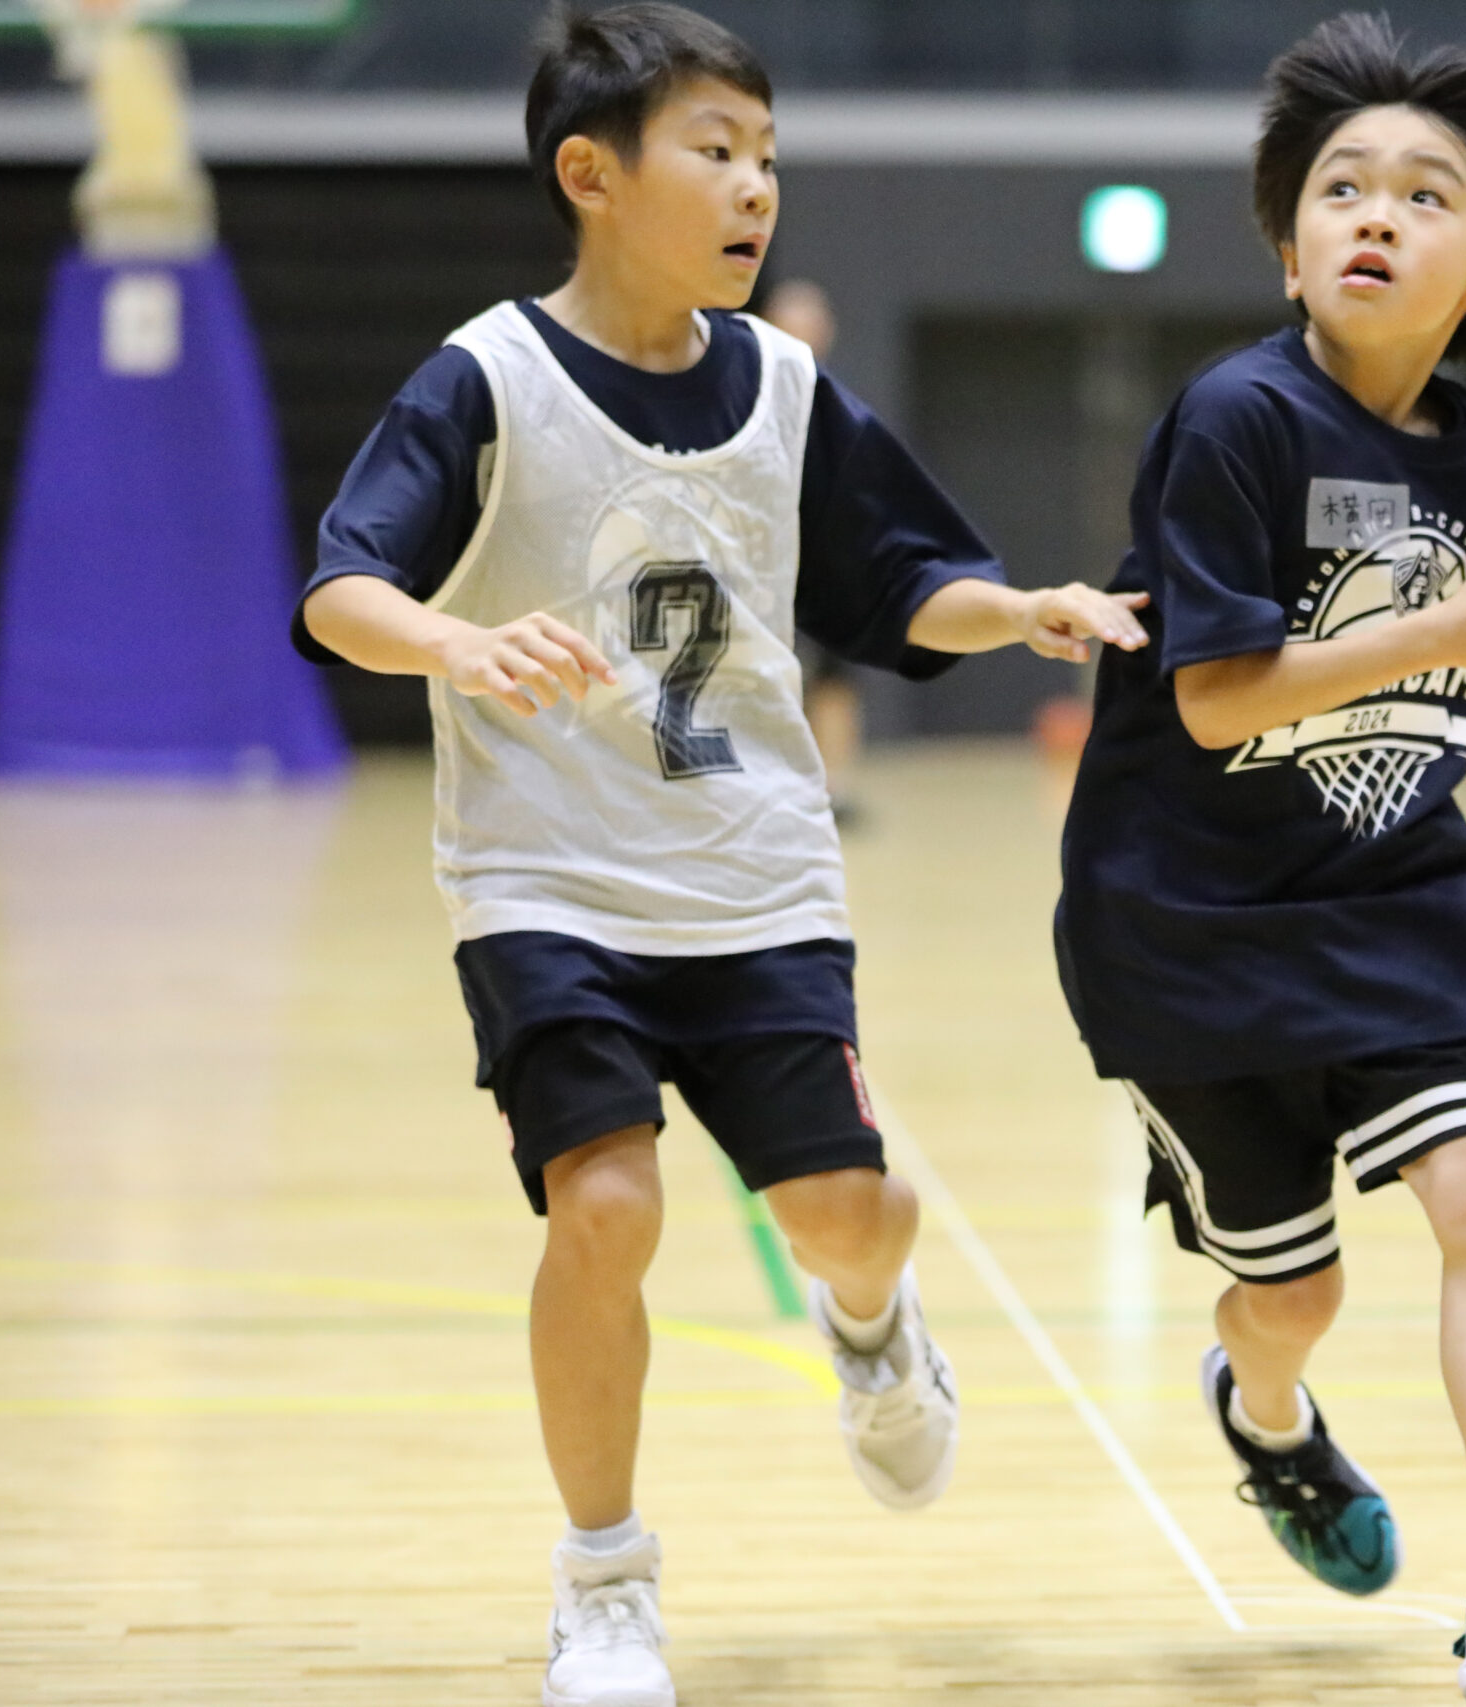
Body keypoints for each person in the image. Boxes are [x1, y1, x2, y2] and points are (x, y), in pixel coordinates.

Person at [291, 10, 1147, 1705]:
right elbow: (341, 589)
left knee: (859, 1211)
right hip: (546, 879)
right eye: (716, 151)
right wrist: (453, 648)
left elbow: (903, 580)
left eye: (767, 157)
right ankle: (605, 1579)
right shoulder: (489, 379)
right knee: (606, 1206)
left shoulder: (788, 391)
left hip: (756, 879)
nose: (755, 188)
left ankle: (872, 1328)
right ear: (592, 175)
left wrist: (1023, 610)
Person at [1054, 17, 1466, 1706]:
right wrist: (1456, 631)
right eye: (1341, 186)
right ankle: (1262, 1413)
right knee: (1293, 1290)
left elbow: (1450, 699)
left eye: (1424, 194)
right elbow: (1213, 704)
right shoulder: (1238, 419)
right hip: (1183, 923)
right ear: (1289, 245)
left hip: (1385, 892)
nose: (1374, 211)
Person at [758, 276, 870, 823]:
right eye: (792, 323)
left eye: (812, 322)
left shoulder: (840, 407)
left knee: (835, 680)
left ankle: (833, 789)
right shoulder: (750, 400)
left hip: (827, 566)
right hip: (765, 569)